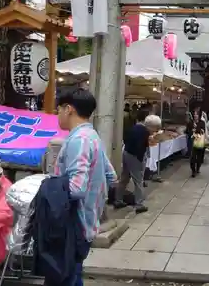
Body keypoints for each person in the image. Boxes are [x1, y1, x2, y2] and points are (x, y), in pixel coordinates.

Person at [53, 88, 117, 286]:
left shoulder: (78, 140)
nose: (58, 115)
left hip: (73, 224)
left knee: (66, 277)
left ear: (68, 109)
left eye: (59, 110)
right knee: (73, 275)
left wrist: (49, 189)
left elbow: (76, 188)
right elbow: (111, 176)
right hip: (88, 222)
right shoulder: (92, 136)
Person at [115, 111, 161, 213]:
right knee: (138, 180)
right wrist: (141, 161)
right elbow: (140, 148)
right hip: (135, 157)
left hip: (126, 152)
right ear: (151, 126)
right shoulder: (144, 132)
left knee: (124, 178)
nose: (155, 131)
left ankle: (118, 200)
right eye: (155, 128)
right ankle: (139, 204)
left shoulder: (136, 127)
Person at [187, 109, 206, 177]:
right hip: (192, 141)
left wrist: (196, 128)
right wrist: (192, 132)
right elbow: (187, 131)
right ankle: (193, 171)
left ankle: (198, 168)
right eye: (194, 114)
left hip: (200, 141)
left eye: (197, 114)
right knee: (192, 157)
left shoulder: (202, 122)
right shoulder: (190, 122)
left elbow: (203, 131)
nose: (195, 115)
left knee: (199, 157)